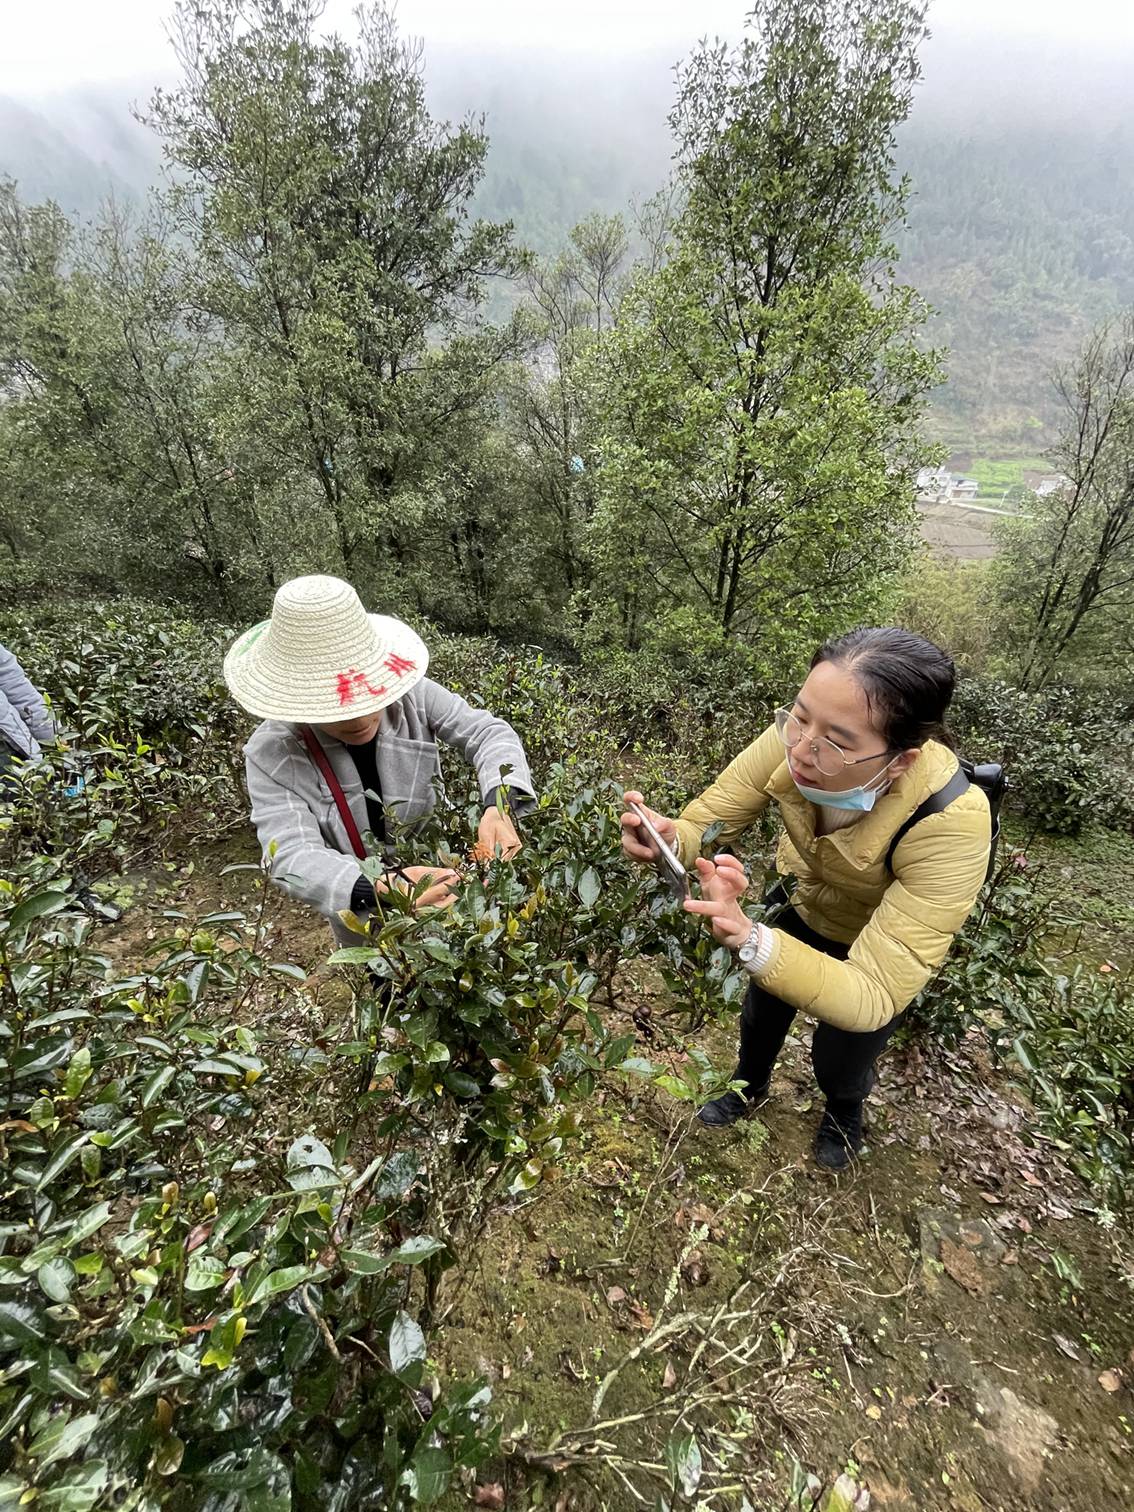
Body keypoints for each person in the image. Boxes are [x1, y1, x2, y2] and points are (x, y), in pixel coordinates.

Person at [621, 628, 990, 1170]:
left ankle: (844, 1112)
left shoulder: (951, 822)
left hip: (872, 940)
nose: (802, 750)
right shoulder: (796, 739)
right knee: (761, 1014)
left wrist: (753, 939)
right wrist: (670, 839)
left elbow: (873, 993)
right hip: (800, 899)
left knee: (844, 1051)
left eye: (837, 743)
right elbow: (708, 818)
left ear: (902, 760)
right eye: (799, 718)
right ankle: (749, 1086)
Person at [223, 575, 536, 941]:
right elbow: (291, 855)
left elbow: (488, 734)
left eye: (367, 697)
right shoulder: (270, 752)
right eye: (332, 705)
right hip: (365, 916)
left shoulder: (413, 696)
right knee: (387, 986)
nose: (358, 718)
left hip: (440, 874)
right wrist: (379, 888)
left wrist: (499, 803)